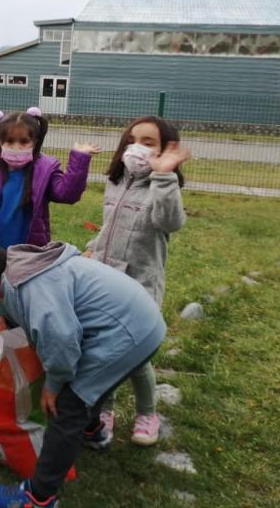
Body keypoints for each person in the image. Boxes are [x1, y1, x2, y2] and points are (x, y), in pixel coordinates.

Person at [0, 237, 166, 507]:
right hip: (136, 321)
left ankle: (38, 496)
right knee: (85, 385)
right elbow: (29, 317)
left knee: (67, 405)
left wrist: (54, 387)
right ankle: (93, 431)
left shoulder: (35, 290)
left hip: (129, 333)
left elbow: (62, 345)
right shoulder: (18, 271)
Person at [0, 106, 99, 351]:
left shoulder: (44, 171)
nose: (17, 147)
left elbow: (68, 193)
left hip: (30, 261)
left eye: (23, 141)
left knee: (23, 312)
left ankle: (20, 360)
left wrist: (80, 158)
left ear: (34, 141)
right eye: (10, 141)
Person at [85, 115, 190, 447]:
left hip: (140, 285)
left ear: (163, 149)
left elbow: (170, 222)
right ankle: (105, 409)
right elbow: (108, 227)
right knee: (103, 350)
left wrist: (164, 175)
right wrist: (91, 250)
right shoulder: (115, 181)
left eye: (149, 143)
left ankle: (147, 412)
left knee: (135, 355)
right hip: (104, 280)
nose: (139, 148)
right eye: (134, 140)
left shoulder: (163, 185)